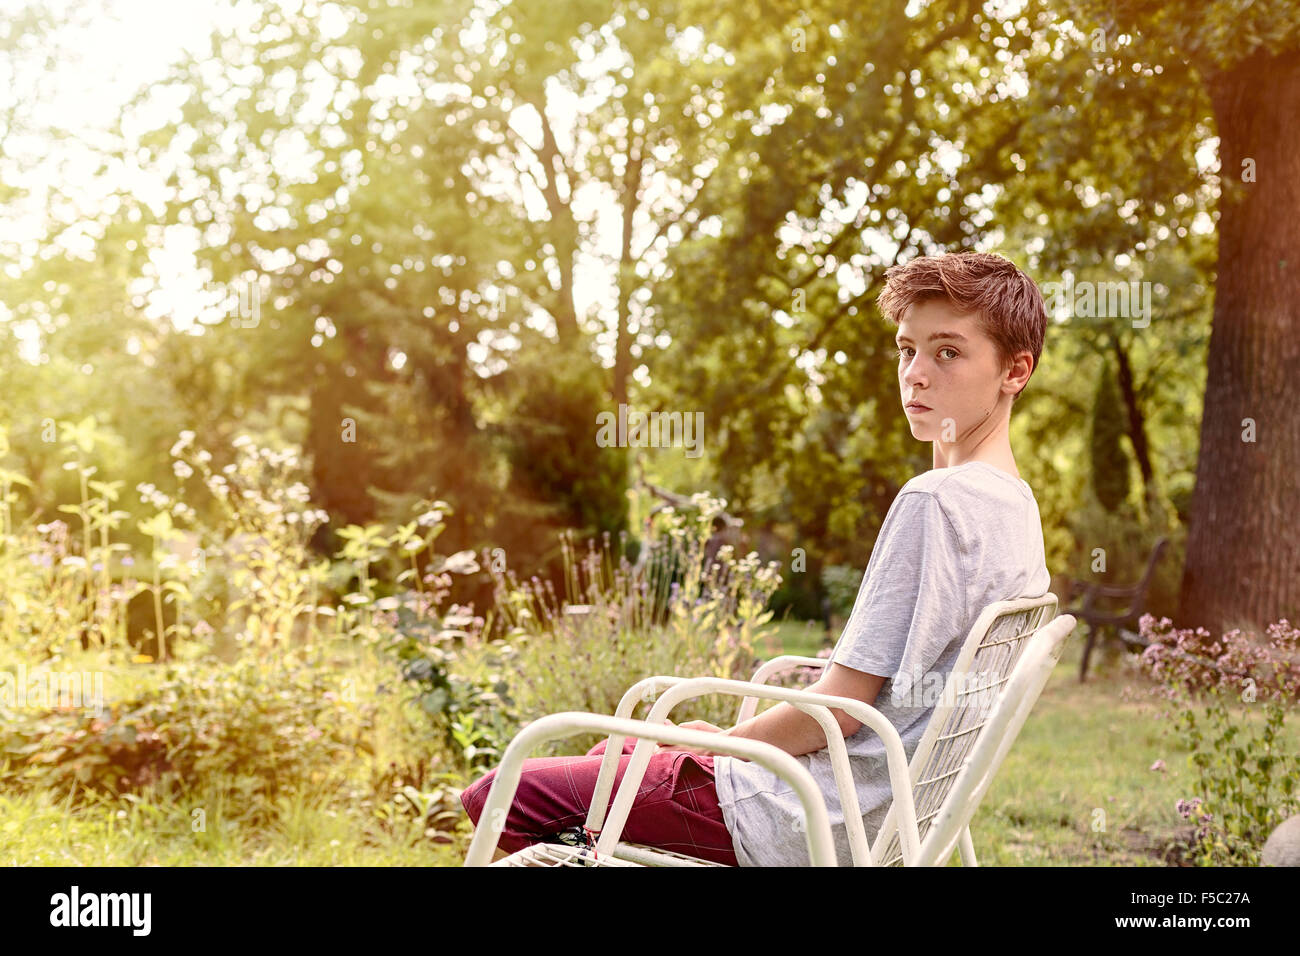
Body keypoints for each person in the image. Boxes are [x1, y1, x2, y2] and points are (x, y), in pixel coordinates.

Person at [460, 250, 1053, 865]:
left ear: (1015, 370)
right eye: (907, 350)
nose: (916, 375)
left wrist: (723, 749)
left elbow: (840, 712)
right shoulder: (1014, 509)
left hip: (796, 814)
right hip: (879, 817)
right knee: (615, 763)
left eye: (948, 352)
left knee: (501, 792)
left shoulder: (935, 502)